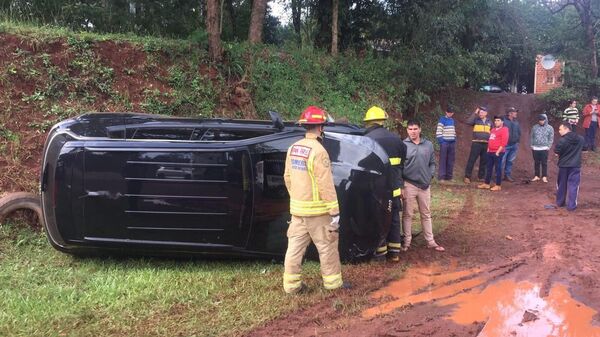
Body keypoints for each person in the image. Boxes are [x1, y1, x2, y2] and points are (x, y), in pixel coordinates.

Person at [282, 106, 346, 294]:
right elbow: (325, 183)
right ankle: (333, 284)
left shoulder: (293, 148)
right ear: (320, 128)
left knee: (293, 250)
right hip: (318, 212)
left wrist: (297, 199)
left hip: (298, 211)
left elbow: (287, 177)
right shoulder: (319, 151)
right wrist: (334, 211)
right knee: (327, 247)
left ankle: (291, 286)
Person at [363, 106, 407, 262]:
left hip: (376, 190)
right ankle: (394, 252)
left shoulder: (367, 140)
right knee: (394, 218)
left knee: (378, 219)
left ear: (368, 122)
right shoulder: (397, 140)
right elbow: (401, 165)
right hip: (394, 189)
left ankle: (380, 253)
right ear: (383, 121)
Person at [401, 120, 444, 252]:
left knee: (426, 213)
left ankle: (430, 241)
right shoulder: (403, 145)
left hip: (425, 185)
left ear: (420, 129)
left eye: (415, 129)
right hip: (409, 184)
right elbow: (399, 166)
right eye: (410, 129)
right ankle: (406, 242)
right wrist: (401, 185)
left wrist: (430, 175)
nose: (412, 131)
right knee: (407, 214)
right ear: (407, 130)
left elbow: (432, 163)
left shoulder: (428, 145)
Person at [555, 122, 584, 211]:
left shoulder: (562, 140)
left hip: (563, 166)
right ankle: (571, 206)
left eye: (560, 129)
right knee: (573, 185)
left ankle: (560, 202)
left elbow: (556, 152)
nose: (559, 131)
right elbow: (585, 149)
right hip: (575, 166)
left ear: (566, 129)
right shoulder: (581, 139)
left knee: (561, 185)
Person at [478, 116, 509, 191]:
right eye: (495, 120)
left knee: (498, 168)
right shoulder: (493, 130)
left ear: (502, 122)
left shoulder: (504, 130)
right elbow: (490, 140)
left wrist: (498, 152)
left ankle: (498, 185)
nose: (496, 122)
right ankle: (486, 183)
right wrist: (488, 149)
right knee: (488, 168)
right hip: (490, 151)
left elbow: (504, 142)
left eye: (498, 120)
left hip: (498, 152)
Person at [464, 106, 492, 184]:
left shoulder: (489, 122)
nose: (481, 114)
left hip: (486, 144)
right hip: (476, 143)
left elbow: (492, 131)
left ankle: (481, 177)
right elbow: (468, 122)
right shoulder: (475, 120)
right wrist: (475, 113)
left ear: (486, 113)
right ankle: (467, 176)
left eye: (482, 112)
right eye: (480, 112)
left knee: (484, 161)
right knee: (472, 160)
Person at [530, 114, 554, 183]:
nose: (541, 121)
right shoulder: (534, 127)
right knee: (536, 162)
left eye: (542, 120)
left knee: (544, 163)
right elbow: (532, 136)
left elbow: (551, 138)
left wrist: (549, 146)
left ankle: (544, 176)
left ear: (545, 120)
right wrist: (531, 144)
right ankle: (536, 176)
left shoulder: (550, 128)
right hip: (535, 148)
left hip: (544, 148)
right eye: (540, 120)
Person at [436, 107, 456, 183]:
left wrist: (454, 138)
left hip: (452, 143)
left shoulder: (452, 120)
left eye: (451, 113)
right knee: (443, 159)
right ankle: (441, 177)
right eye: (448, 112)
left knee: (451, 160)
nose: (450, 114)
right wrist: (442, 141)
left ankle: (449, 177)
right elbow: (439, 131)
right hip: (445, 142)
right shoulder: (442, 120)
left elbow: (453, 130)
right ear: (446, 112)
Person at [502, 107, 521, 182]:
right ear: (510, 113)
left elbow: (519, 132)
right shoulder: (503, 121)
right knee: (501, 161)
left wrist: (517, 141)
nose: (516, 113)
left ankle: (507, 175)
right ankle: (498, 176)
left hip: (514, 145)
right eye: (514, 112)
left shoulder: (516, 122)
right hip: (505, 145)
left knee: (510, 161)